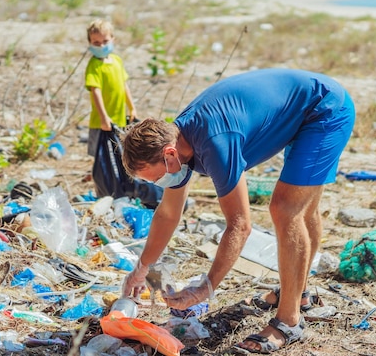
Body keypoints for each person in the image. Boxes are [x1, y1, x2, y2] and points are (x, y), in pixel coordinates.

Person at [120, 68, 356, 353]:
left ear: (169, 154)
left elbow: (240, 225)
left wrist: (206, 287)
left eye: (155, 178)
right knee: (301, 208)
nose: (159, 184)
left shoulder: (214, 142)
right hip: (302, 108)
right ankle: (298, 294)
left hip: (325, 109)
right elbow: (169, 213)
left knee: (285, 208)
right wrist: (142, 268)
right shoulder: (179, 143)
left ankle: (289, 321)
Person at [85, 18, 163, 208]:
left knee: (121, 156)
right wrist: (104, 118)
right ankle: (104, 191)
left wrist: (132, 106)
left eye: (105, 41)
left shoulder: (117, 61)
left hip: (119, 119)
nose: (101, 45)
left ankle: (122, 189)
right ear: (90, 43)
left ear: (113, 39)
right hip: (101, 122)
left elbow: (124, 85)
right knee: (102, 159)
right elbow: (95, 91)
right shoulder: (94, 66)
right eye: (96, 42)